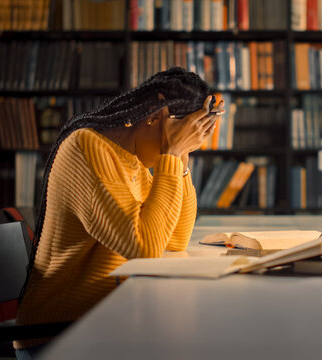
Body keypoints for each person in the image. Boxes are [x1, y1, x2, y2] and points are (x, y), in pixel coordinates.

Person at [14, 67, 222, 359]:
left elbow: (174, 238)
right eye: (184, 133)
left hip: (105, 321)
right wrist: (171, 154)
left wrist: (182, 157)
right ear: (155, 115)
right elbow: (144, 248)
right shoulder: (87, 148)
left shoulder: (133, 161)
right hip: (57, 334)